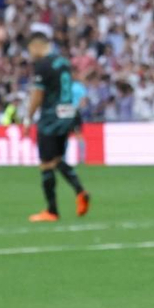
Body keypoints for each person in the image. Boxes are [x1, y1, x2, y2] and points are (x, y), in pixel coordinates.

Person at [25, 25, 91, 222]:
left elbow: (38, 95)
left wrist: (28, 117)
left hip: (51, 117)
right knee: (56, 160)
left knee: (46, 164)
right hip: (67, 114)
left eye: (30, 49)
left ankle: (52, 211)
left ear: (37, 46)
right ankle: (79, 192)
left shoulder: (42, 65)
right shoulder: (63, 62)